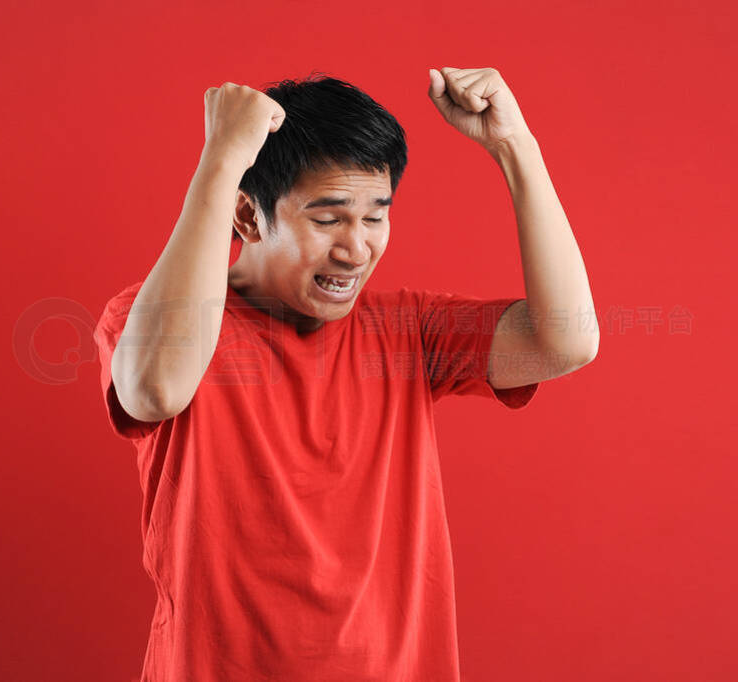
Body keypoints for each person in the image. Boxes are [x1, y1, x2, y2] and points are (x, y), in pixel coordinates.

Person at [93, 68, 598, 681]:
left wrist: (516, 147)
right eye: (329, 219)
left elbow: (566, 339)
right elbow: (154, 389)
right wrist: (221, 162)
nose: (356, 249)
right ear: (248, 219)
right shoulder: (149, 319)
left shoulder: (409, 330)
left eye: (375, 217)